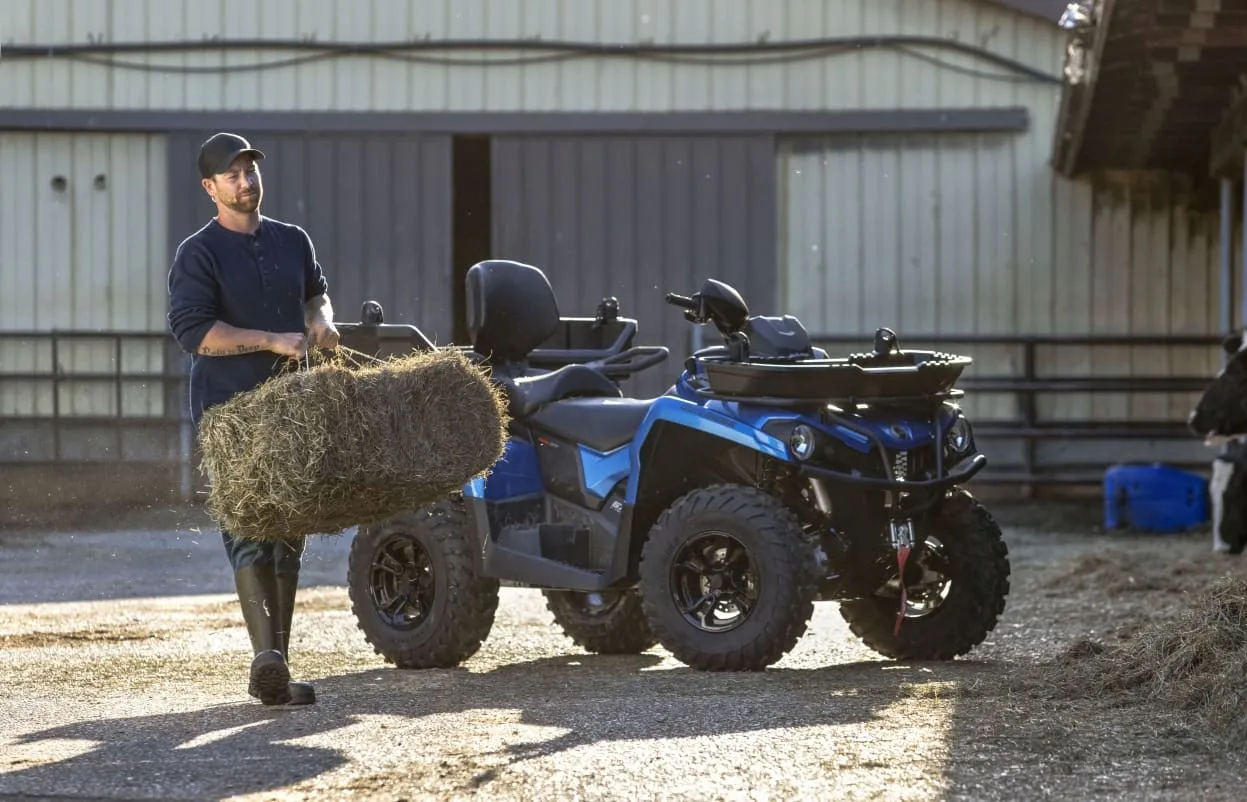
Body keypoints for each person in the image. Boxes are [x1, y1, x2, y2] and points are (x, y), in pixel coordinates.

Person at [166, 132, 339, 707]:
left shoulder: (293, 240)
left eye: (250, 171)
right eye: (232, 174)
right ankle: (267, 657)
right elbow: (194, 333)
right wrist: (273, 339)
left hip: (293, 407)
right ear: (209, 187)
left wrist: (321, 323)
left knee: (288, 533)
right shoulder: (199, 253)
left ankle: (277, 669)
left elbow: (317, 295)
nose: (246, 181)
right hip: (230, 414)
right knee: (247, 528)